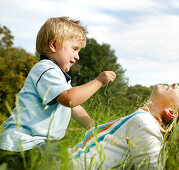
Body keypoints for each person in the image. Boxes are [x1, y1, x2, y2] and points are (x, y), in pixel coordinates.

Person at [0, 16, 116, 169]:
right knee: (66, 161)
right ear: (53, 45)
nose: (77, 56)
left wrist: (94, 128)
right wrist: (98, 81)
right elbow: (70, 99)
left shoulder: (59, 77)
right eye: (74, 49)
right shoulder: (45, 69)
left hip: (33, 144)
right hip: (21, 142)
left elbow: (75, 106)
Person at [69, 83, 179, 169]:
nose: (175, 85)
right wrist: (66, 97)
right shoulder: (143, 119)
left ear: (171, 112)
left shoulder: (146, 123)